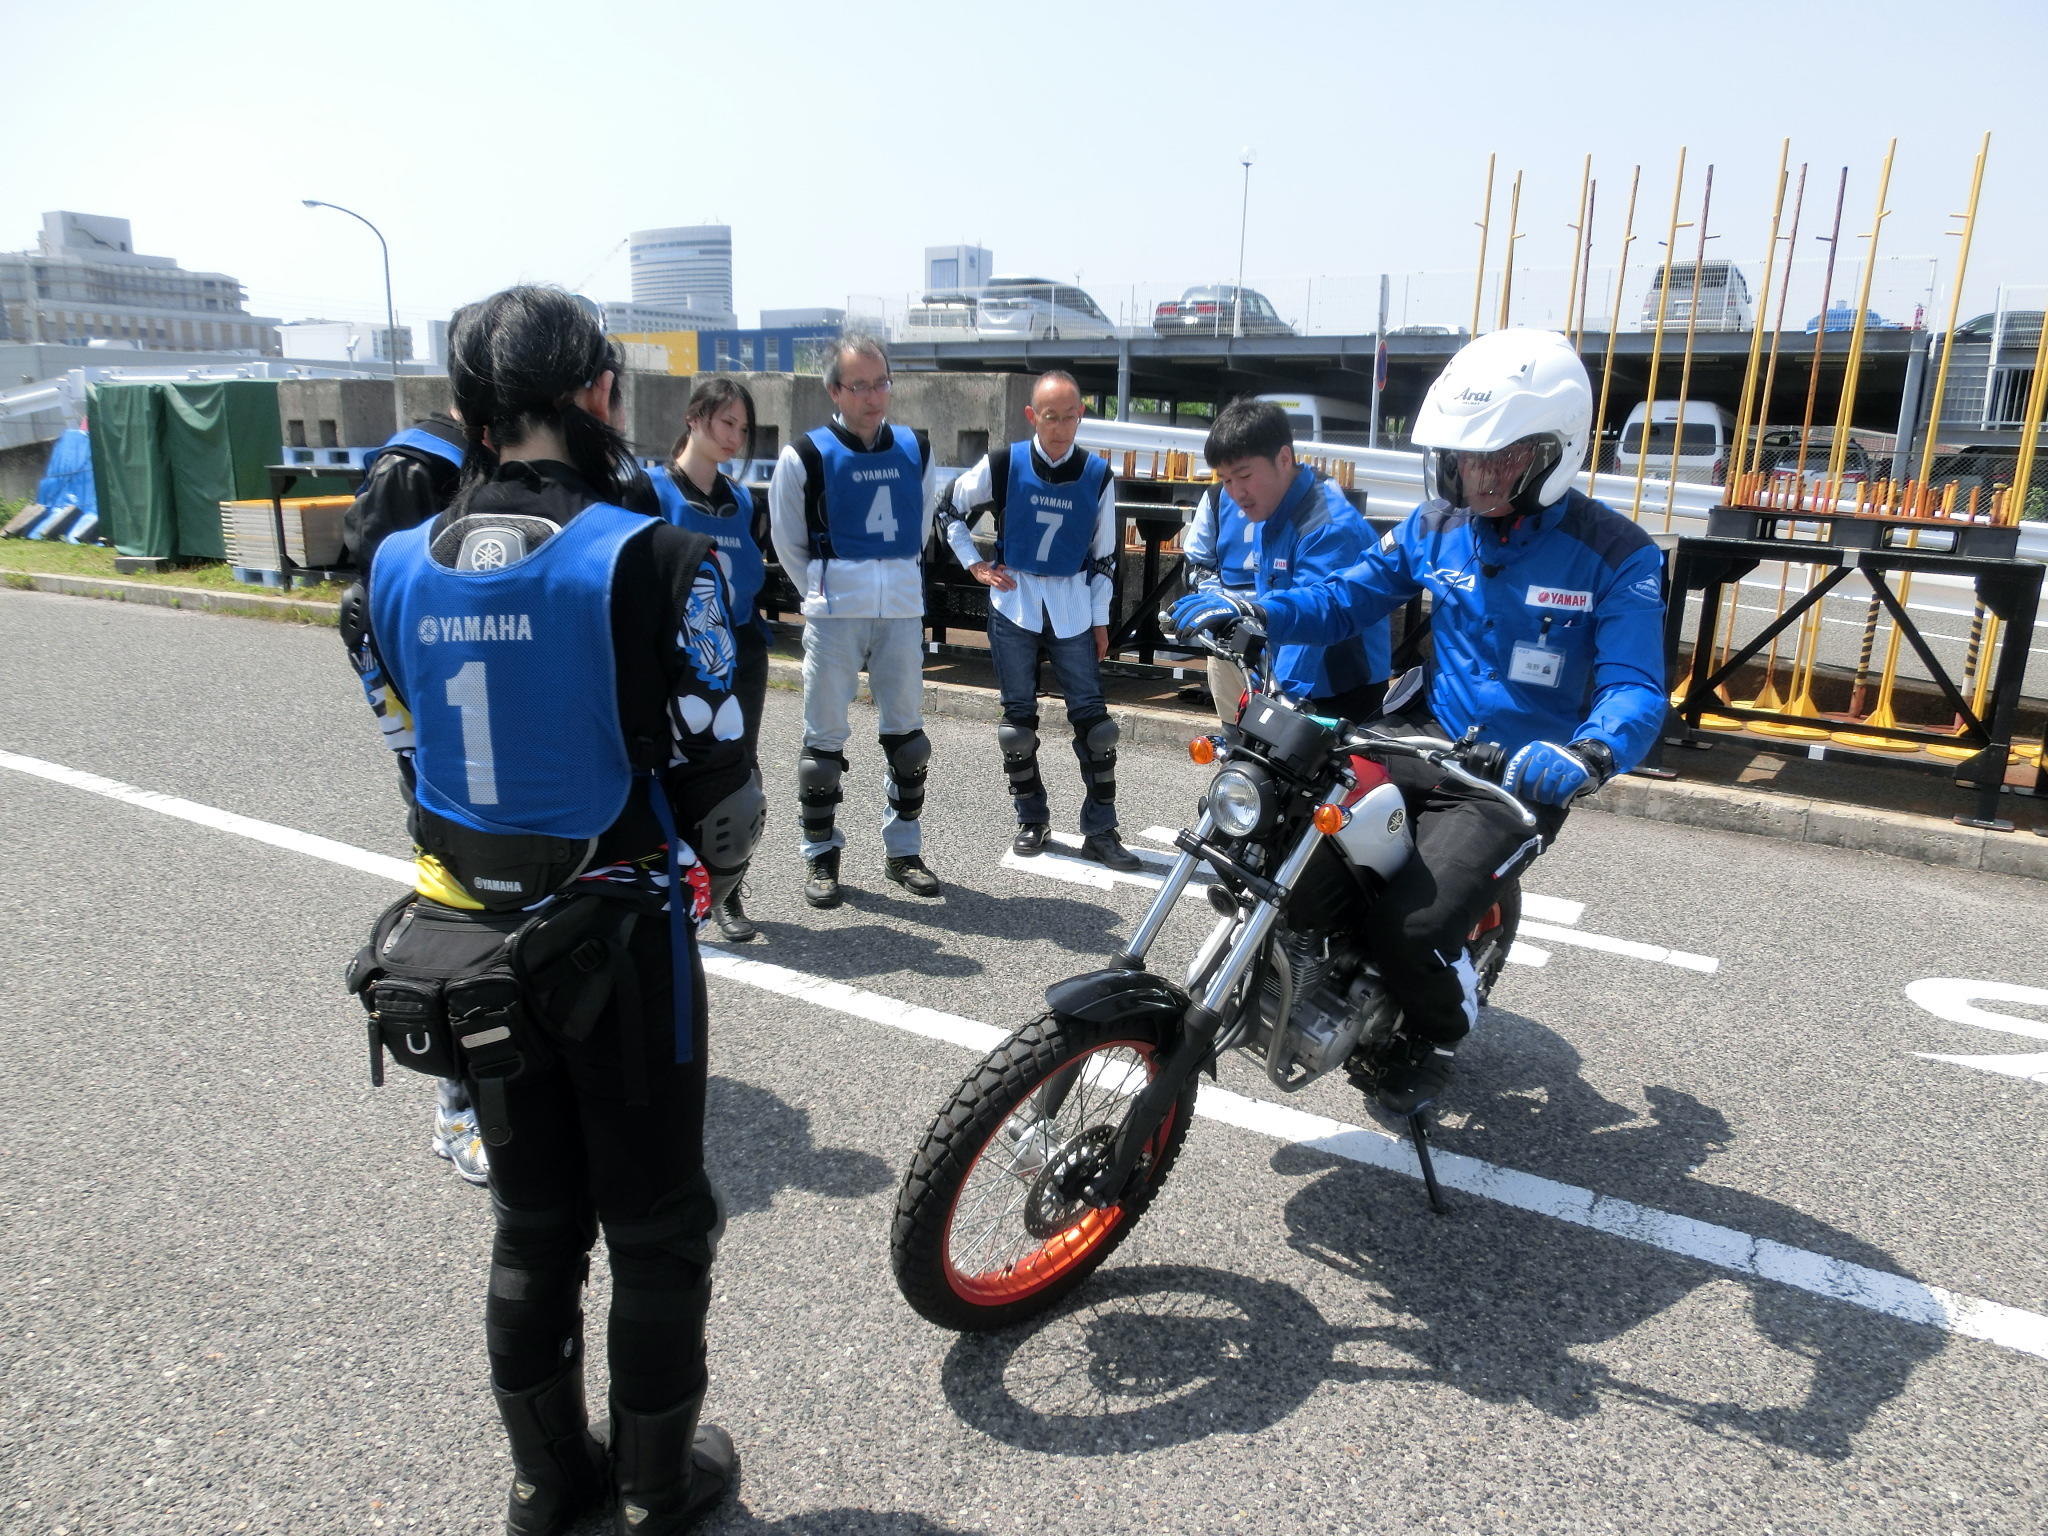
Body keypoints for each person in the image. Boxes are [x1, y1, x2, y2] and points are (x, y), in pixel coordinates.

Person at [346, 286, 755, 1535]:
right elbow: (722, 790)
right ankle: (652, 1485)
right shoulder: (655, 555)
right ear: (597, 398)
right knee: (656, 1222)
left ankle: (543, 1481)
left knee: (532, 1223)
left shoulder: (390, 570)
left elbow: (405, 745)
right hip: (620, 928)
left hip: (464, 938)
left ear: (468, 414)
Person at [1174, 329, 1665, 1117]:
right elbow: (1347, 596)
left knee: (1413, 927)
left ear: (1556, 451)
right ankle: (1299, 971)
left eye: (1500, 460)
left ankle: (1437, 1029)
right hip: (1421, 731)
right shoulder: (1435, 526)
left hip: (1517, 771)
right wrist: (1254, 609)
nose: (1477, 478)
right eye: (1466, 458)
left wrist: (1590, 751)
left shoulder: (1618, 555)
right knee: (1282, 839)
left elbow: (1637, 688)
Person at [340, 401, 490, 1187]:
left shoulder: (484, 452)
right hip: (440, 728)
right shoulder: (417, 464)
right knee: (456, 909)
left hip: (484, 723)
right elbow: (381, 603)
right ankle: (454, 1103)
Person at [939, 370, 1140, 869]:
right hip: (1014, 601)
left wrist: (1100, 620)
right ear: (1033, 415)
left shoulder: (1097, 475)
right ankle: (1031, 818)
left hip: (1072, 602)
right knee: (1017, 725)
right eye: (1051, 417)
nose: (1061, 427)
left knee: (1096, 727)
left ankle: (1101, 829)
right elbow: (948, 509)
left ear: (1081, 415)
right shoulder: (1004, 463)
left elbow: (1106, 556)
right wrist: (974, 563)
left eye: (1070, 416)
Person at [767, 333, 941, 907]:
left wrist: (888, 582)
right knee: (822, 744)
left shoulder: (916, 447)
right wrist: (827, 590)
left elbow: (919, 531)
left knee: (908, 740)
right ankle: (820, 855)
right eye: (859, 385)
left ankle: (903, 851)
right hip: (835, 611)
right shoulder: (806, 455)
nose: (873, 395)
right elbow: (789, 542)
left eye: (881, 382)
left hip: (899, 610)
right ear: (835, 391)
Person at [651, 377, 772, 942]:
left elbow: (753, 575)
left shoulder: (743, 498)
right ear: (695, 417)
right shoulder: (652, 492)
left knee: (736, 772)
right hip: (676, 655)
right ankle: (660, 879)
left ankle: (727, 889)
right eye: (727, 423)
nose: (735, 437)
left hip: (738, 650)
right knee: (670, 767)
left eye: (743, 429)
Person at [1199, 399, 1391, 722]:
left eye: (1244, 475)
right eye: (1226, 480)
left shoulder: (1328, 526)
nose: (1236, 492)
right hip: (1288, 683)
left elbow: (1312, 625)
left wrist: (1274, 701)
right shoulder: (1270, 507)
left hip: (1343, 693)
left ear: (1284, 458)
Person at [1179, 440, 1258, 726]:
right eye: (1227, 476)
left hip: (1276, 625)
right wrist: (1222, 607)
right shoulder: (1215, 497)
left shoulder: (1286, 500)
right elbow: (1196, 563)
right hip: (1227, 629)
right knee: (1232, 731)